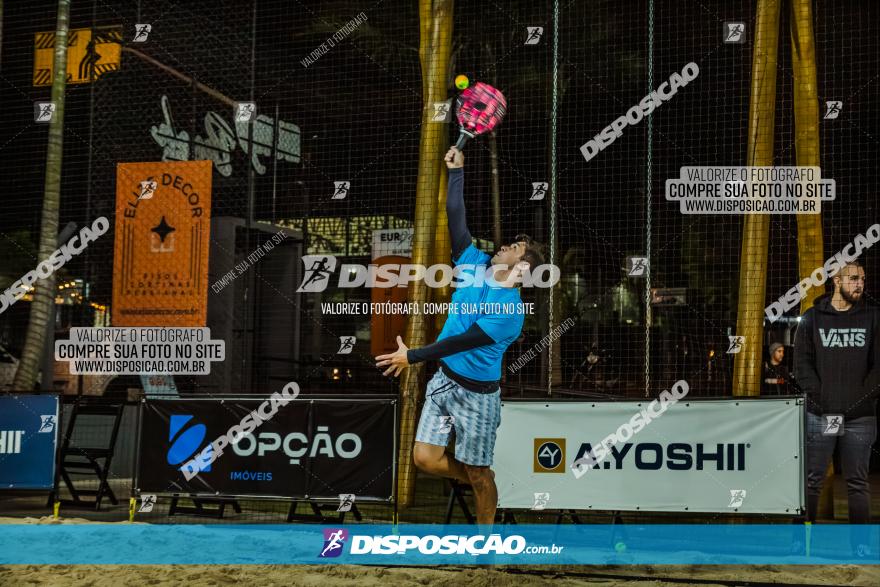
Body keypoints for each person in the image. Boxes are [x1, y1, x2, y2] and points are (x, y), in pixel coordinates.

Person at [374, 146, 545, 526]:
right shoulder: (474, 264)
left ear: (522, 270)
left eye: (513, 249)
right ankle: (475, 474)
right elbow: (456, 219)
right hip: (444, 381)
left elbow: (462, 340)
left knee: (480, 477)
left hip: (478, 396)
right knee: (425, 458)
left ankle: (485, 547)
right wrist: (456, 172)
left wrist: (412, 356)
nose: (503, 247)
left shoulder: (511, 314)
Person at [794, 260, 879, 557]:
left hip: (860, 417)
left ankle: (860, 547)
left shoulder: (873, 317)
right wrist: (821, 399)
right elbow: (801, 364)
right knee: (812, 480)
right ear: (836, 280)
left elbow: (878, 367)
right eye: (854, 278)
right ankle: (800, 544)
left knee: (857, 482)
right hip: (823, 414)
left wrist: (859, 398)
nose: (860, 284)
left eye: (863, 279)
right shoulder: (813, 318)